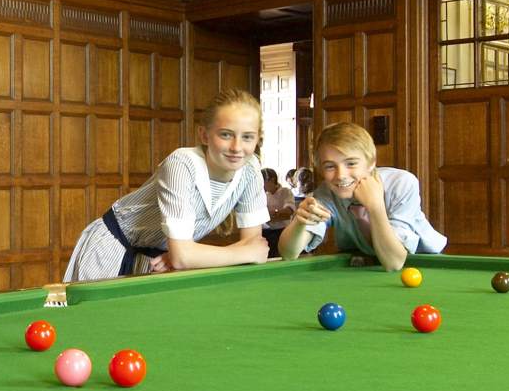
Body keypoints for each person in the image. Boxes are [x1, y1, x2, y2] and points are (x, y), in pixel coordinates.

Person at [64, 88, 272, 281]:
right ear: (204, 135)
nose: (237, 147)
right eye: (225, 134)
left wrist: (181, 254)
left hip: (158, 259)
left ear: (257, 140)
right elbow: (188, 257)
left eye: (247, 137)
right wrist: (181, 254)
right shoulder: (181, 164)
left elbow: (254, 247)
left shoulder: (250, 168)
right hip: (112, 248)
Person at [280, 122, 446, 272]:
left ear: (371, 162)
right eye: (330, 166)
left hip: (423, 262)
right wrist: (299, 224)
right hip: (367, 266)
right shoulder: (326, 194)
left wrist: (375, 207)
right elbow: (289, 253)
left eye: (351, 163)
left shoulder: (402, 183)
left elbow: (394, 262)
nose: (341, 175)